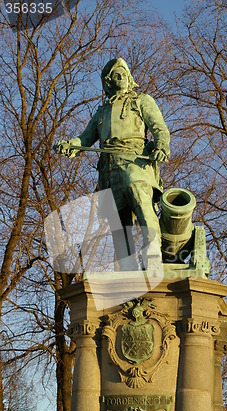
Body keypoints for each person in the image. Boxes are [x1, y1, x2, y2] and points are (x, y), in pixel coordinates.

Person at [55, 58, 170, 271]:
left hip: (134, 161)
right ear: (108, 82)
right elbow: (85, 139)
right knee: (118, 224)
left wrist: (162, 145)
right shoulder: (101, 112)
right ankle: (127, 269)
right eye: (116, 75)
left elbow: (159, 128)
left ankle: (153, 257)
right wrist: (70, 145)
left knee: (143, 205)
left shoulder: (141, 101)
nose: (122, 78)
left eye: (124, 74)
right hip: (108, 170)